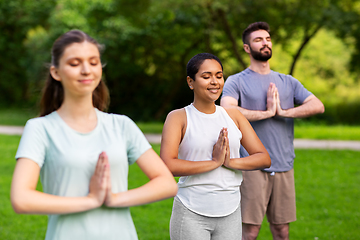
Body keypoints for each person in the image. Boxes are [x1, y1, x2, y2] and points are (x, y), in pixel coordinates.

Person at [10, 30, 178, 240]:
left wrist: (114, 199)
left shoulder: (122, 125)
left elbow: (167, 183)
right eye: (74, 63)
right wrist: (90, 200)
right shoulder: (40, 129)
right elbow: (21, 198)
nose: (86, 70)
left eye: (93, 62)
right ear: (56, 72)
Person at [221, 22, 325, 240]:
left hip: (284, 164)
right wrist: (265, 113)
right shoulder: (236, 81)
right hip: (251, 166)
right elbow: (226, 109)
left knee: (281, 230)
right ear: (247, 48)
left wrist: (282, 112)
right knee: (249, 232)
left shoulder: (287, 81)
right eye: (258, 40)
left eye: (267, 39)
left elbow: (317, 105)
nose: (265, 43)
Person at [160, 53, 271, 240]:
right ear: (191, 81)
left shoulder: (234, 116)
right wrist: (213, 163)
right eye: (206, 76)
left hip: (231, 210)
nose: (215, 82)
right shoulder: (178, 117)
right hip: (191, 210)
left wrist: (230, 162)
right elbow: (167, 166)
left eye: (219, 76)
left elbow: (263, 158)